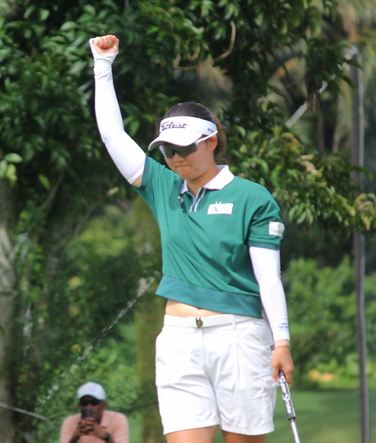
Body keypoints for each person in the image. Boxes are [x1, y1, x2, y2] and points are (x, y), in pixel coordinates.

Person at [88, 35, 295, 443]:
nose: (176, 158)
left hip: (240, 336)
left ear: (211, 141)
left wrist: (282, 341)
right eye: (167, 151)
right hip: (179, 339)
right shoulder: (162, 186)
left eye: (185, 148)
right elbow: (113, 135)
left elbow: (268, 277)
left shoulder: (252, 197)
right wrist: (103, 66)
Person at [59, 382, 129, 443]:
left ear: (104, 405)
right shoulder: (70, 422)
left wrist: (106, 437)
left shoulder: (118, 419)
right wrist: (74, 438)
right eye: (84, 403)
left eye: (94, 402)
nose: (89, 407)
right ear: (79, 405)